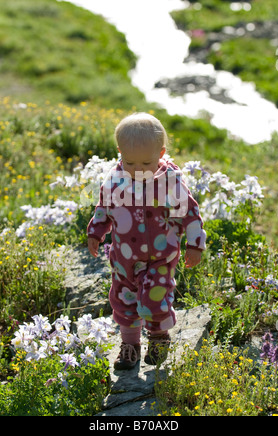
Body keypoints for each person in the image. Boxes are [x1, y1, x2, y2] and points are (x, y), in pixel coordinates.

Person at [87, 113, 206, 370]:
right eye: (129, 162)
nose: (138, 170)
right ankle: (129, 346)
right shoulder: (116, 179)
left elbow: (188, 213)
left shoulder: (169, 183)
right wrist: (96, 232)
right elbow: (104, 208)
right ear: (120, 152)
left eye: (146, 162)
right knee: (123, 300)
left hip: (160, 258)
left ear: (161, 153)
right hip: (124, 258)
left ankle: (158, 336)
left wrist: (195, 244)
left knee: (155, 298)